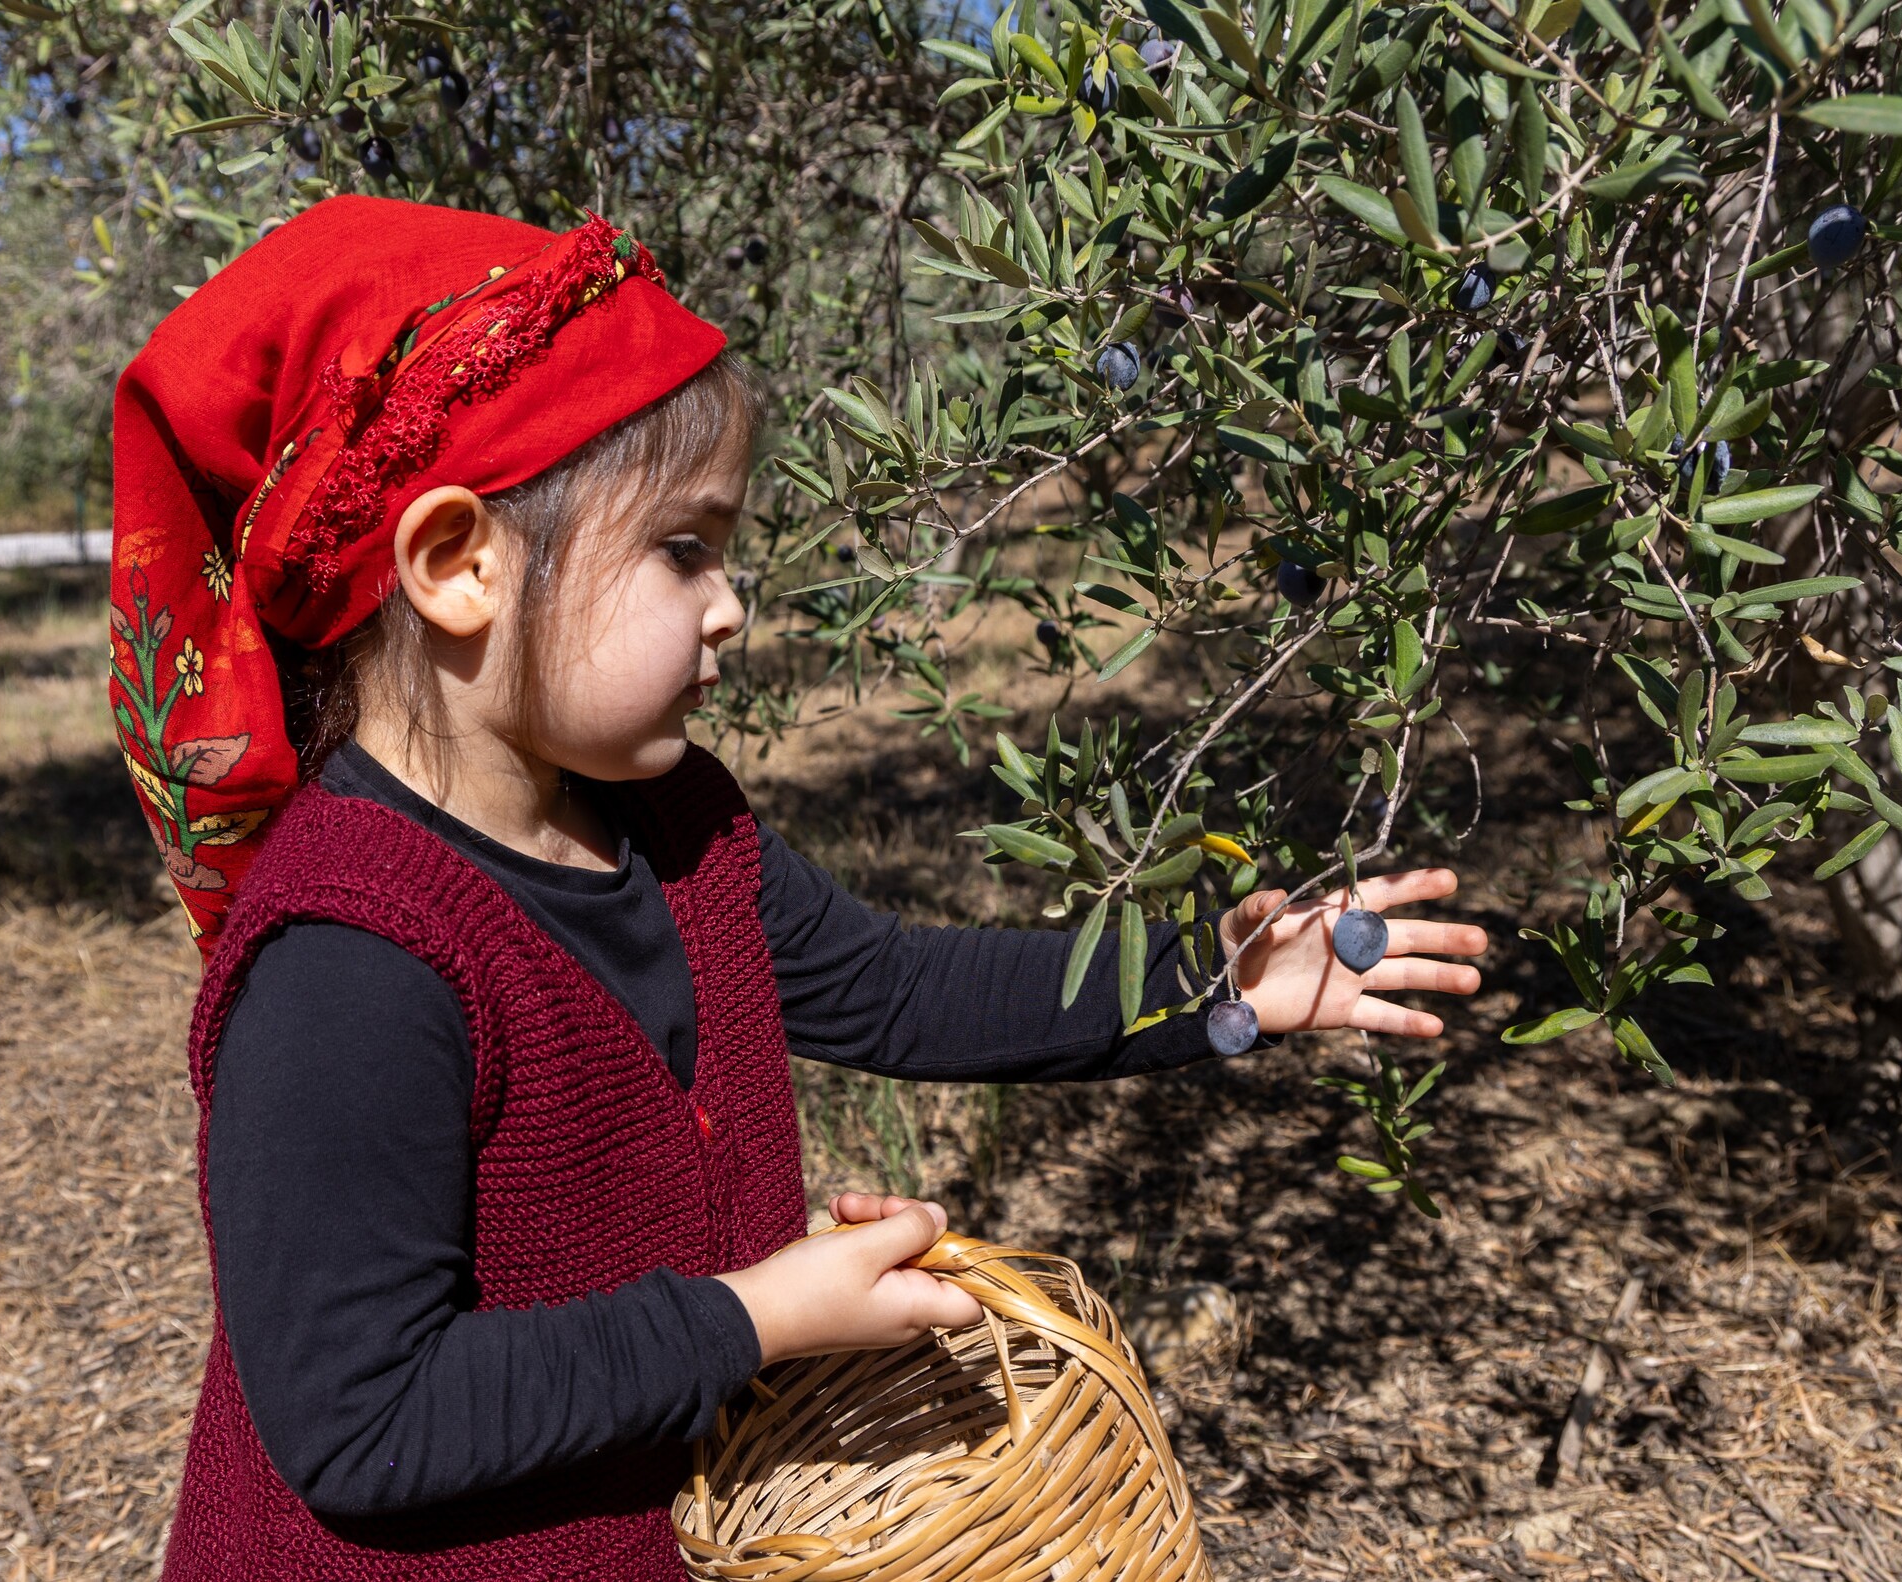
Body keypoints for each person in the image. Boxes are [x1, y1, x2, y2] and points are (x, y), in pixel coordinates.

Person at [107, 197, 1489, 1581]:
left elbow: (890, 987)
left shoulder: (674, 822)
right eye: (683, 549)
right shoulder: (352, 955)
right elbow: (365, 1417)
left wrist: (1215, 987)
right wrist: (753, 1316)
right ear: (459, 564)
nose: (729, 606)